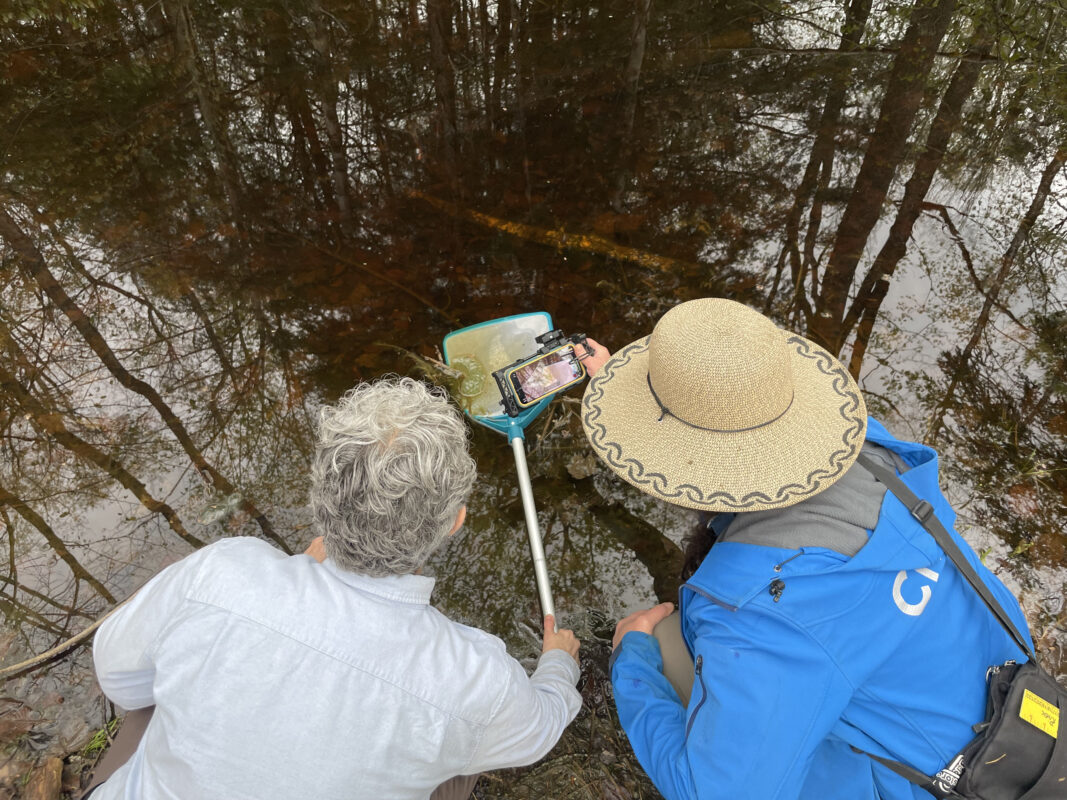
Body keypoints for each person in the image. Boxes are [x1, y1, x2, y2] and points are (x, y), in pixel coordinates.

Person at [577, 298, 1032, 800]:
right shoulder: (864, 445)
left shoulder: (756, 614)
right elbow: (735, 431)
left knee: (662, 637)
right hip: (1014, 708)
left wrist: (632, 661)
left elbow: (718, 794)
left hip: (944, 785)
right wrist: (644, 392)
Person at [84, 377, 582, 800]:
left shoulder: (221, 572)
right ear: (454, 522)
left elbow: (121, 680)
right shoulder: (475, 677)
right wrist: (559, 662)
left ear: (320, 498)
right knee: (466, 747)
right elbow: (537, 731)